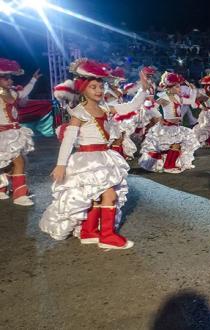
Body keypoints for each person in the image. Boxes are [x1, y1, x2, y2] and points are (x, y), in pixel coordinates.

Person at [39, 58, 149, 249]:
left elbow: (131, 106)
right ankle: (106, 235)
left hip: (104, 158)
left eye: (100, 86)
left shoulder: (105, 108)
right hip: (87, 161)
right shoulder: (79, 113)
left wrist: (144, 89)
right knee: (109, 196)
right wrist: (61, 165)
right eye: (93, 87)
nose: (98, 90)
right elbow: (68, 140)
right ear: (83, 89)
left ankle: (88, 232)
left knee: (97, 196)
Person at [138, 72, 200, 173]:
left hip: (177, 126)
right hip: (167, 127)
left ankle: (170, 164)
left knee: (177, 145)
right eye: (177, 87)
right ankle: (168, 166)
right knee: (175, 145)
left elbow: (191, 101)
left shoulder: (178, 98)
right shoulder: (165, 98)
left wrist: (193, 90)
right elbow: (152, 107)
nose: (179, 89)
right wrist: (159, 117)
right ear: (170, 87)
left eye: (179, 87)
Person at [0, 58, 41, 206]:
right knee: (10, 162)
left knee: (14, 161)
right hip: (2, 134)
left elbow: (24, 93)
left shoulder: (13, 93)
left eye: (10, 77)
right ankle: (15, 193)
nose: (10, 80)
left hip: (14, 132)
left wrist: (33, 80)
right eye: (6, 78)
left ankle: (13, 191)